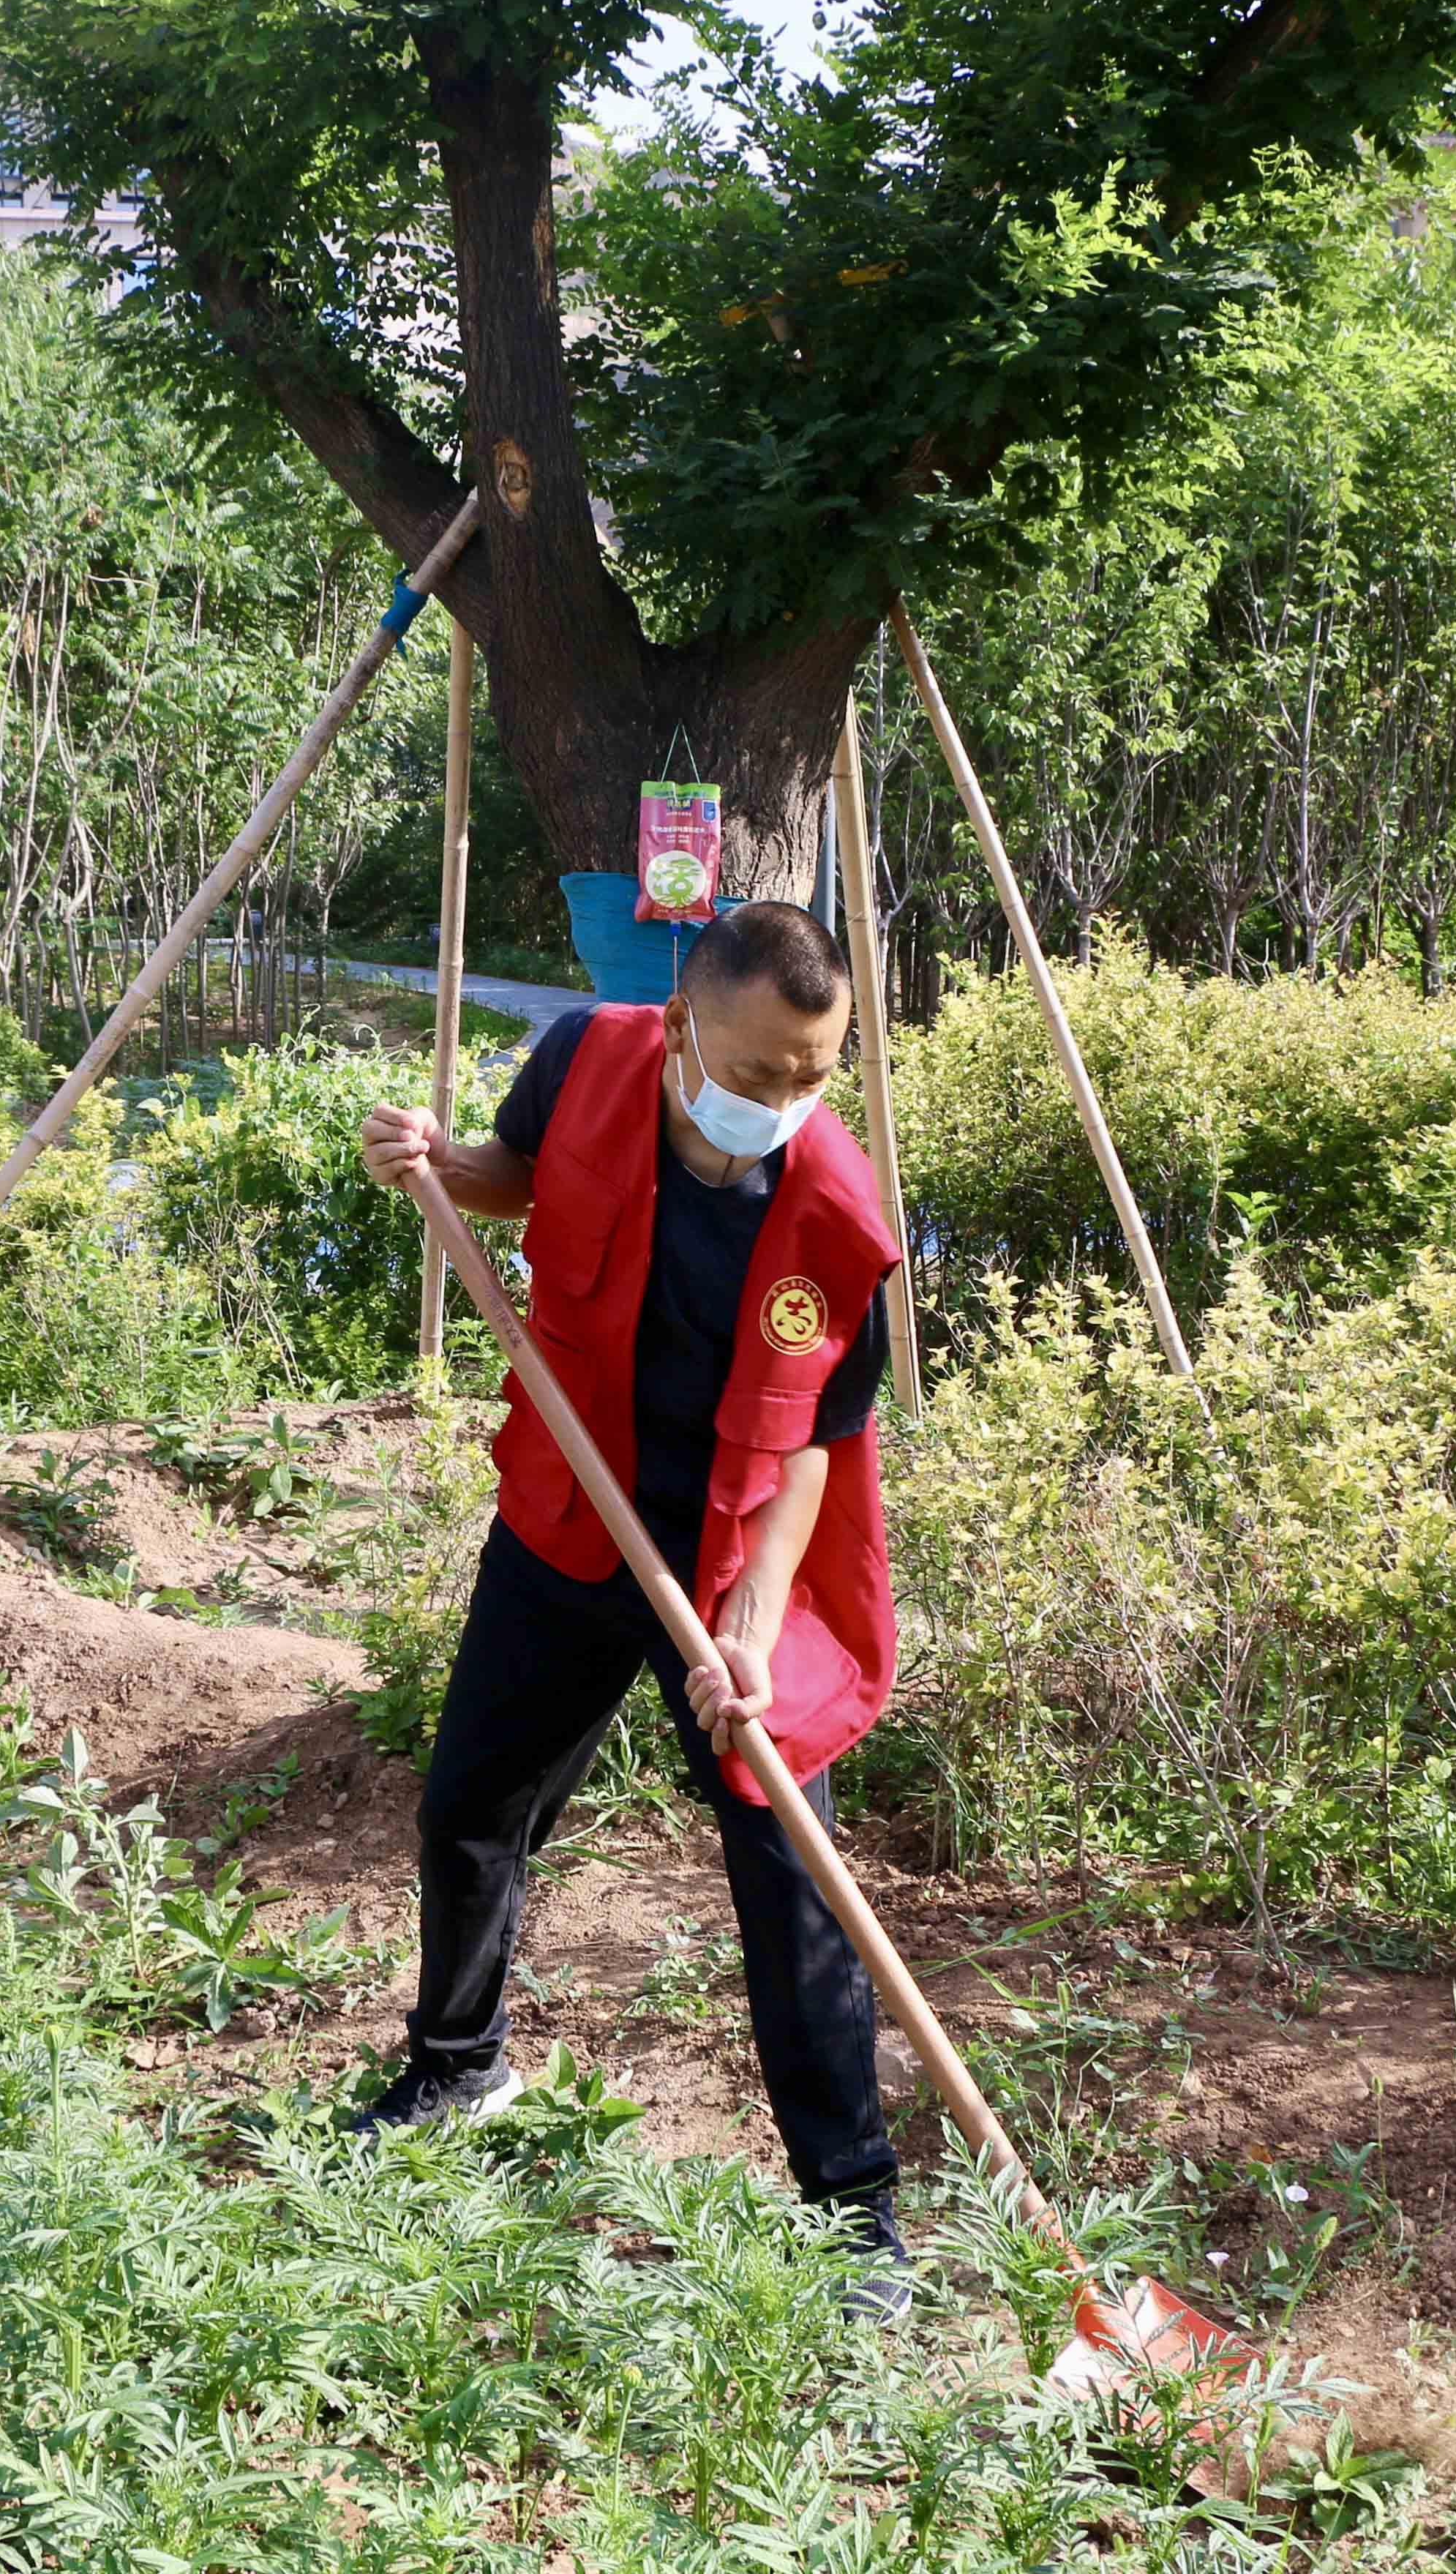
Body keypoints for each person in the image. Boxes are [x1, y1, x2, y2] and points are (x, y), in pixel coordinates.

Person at [353, 900, 908, 2293]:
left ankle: (853, 2209)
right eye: (759, 1070)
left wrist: (751, 1629)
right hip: (569, 1503)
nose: (783, 1101)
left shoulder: (836, 1217)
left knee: (789, 1875)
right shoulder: (586, 1056)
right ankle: (456, 2069)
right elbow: (517, 1174)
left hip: (723, 1552)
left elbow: (812, 1453)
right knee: (473, 1803)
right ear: (677, 1030)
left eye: (814, 1074)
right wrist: (435, 1163)